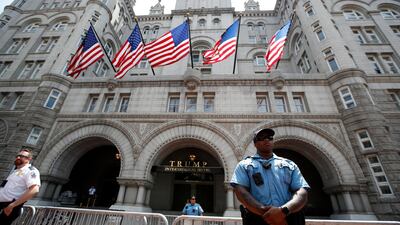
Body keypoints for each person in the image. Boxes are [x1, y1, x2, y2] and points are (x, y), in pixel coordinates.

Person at [230, 128, 310, 225]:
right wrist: (267, 213)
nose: (266, 140)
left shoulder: (289, 165)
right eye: (262, 138)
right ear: (255, 144)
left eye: (270, 138)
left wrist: (283, 211)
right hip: (257, 219)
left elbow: (301, 192)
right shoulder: (244, 165)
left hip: (289, 218)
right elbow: (241, 192)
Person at [0, 148, 41, 225]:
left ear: (29, 159)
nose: (18, 157)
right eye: (17, 155)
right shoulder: (16, 171)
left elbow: (34, 189)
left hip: (9, 206)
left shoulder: (31, 171)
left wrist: (12, 205)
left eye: (22, 156)